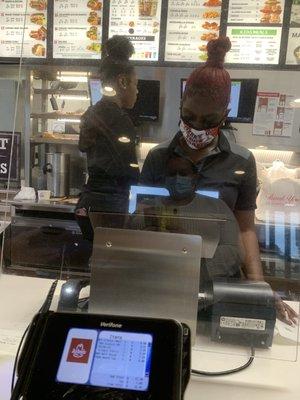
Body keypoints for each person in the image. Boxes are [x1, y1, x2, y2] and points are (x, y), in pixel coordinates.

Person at [140, 36, 297, 325]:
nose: (196, 127)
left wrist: (258, 287)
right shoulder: (158, 158)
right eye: (189, 116)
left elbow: (245, 228)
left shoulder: (241, 161)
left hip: (221, 283)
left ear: (224, 115)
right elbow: (142, 220)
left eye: (208, 119)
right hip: (165, 277)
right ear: (181, 105)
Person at [76, 35, 140, 242]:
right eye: (135, 85)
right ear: (123, 82)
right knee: (112, 266)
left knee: (96, 262)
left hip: (88, 203)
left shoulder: (92, 113)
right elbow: (128, 172)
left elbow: (84, 147)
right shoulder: (121, 120)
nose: (137, 91)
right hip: (111, 208)